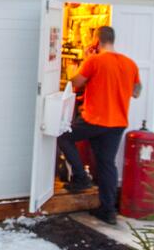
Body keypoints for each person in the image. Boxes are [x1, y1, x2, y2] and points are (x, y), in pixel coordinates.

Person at [57, 26, 141, 226]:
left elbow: (75, 81)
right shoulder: (130, 64)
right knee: (106, 165)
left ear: (96, 40)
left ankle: (80, 177)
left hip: (94, 119)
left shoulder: (94, 61)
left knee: (64, 137)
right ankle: (108, 210)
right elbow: (137, 92)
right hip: (118, 122)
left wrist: (86, 60)